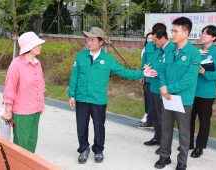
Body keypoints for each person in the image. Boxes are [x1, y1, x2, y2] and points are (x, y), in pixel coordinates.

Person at [68, 27, 158, 164]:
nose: (89, 42)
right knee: (81, 126)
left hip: (98, 100)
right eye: (88, 39)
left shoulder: (108, 59)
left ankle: (98, 150)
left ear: (101, 42)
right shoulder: (80, 56)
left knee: (99, 127)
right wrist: (71, 95)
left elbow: (125, 72)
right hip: (81, 98)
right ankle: (83, 149)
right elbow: (74, 77)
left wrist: (142, 73)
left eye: (92, 40)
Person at [155, 17, 201, 170]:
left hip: (183, 99)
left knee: (184, 133)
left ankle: (182, 161)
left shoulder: (194, 54)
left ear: (186, 32)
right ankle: (164, 156)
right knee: (166, 128)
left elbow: (189, 79)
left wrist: (169, 89)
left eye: (175, 31)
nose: (172, 34)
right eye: (172, 31)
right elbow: (161, 70)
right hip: (167, 97)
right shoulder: (168, 50)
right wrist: (163, 88)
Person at [2, 32, 46, 153]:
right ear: (30, 46)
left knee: (32, 141)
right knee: (21, 145)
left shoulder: (37, 63)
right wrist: (8, 111)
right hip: (22, 112)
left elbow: (41, 86)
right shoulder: (16, 64)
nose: (40, 46)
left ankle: (28, 165)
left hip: (35, 110)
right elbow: (10, 89)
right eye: (37, 44)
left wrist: (41, 105)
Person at [143, 23, 175, 155]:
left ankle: (164, 143)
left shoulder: (172, 49)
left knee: (164, 118)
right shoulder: (159, 48)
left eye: (155, 40)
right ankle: (157, 137)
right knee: (155, 115)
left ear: (162, 38)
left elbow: (170, 69)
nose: (153, 42)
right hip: (153, 85)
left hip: (164, 88)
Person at [189, 25, 216, 158]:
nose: (202, 36)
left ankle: (199, 147)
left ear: (214, 37)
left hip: (206, 93)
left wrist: (205, 73)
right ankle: (187, 142)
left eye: (206, 34)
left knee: (204, 120)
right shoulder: (197, 51)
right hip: (191, 91)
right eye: (202, 33)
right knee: (188, 118)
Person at [140, 33, 153, 123]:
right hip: (147, 76)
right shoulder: (145, 50)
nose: (150, 40)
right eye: (148, 38)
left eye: (152, 38)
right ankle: (148, 116)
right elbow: (144, 63)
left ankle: (151, 119)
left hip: (154, 77)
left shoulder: (159, 49)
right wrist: (142, 75)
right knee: (148, 98)